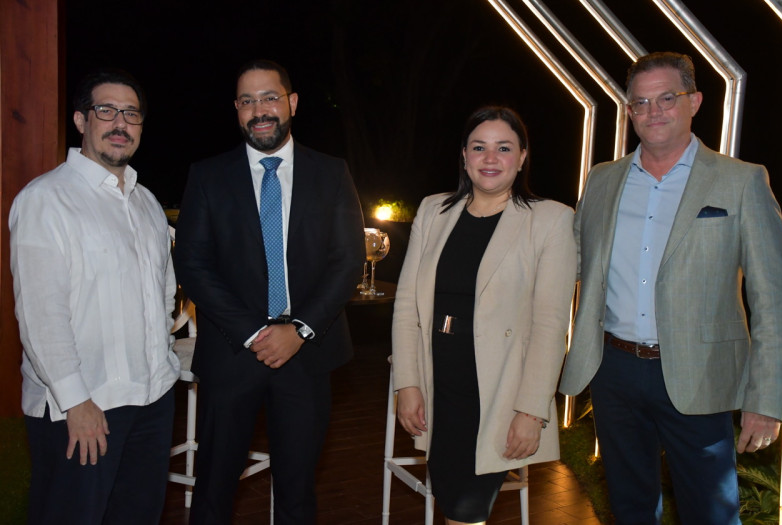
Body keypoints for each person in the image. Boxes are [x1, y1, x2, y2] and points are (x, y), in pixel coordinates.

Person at [559, 52, 782, 524]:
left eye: (667, 98)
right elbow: (574, 264)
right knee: (629, 508)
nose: (653, 112)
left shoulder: (742, 180)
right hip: (614, 370)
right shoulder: (603, 179)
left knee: (711, 512)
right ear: (629, 111)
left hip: (701, 376)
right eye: (640, 103)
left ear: (695, 101)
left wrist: (765, 401)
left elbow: (773, 301)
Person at [174, 59, 364, 524]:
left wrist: (298, 329)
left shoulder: (332, 173)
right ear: (237, 111)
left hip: (308, 354)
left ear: (292, 103)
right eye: (247, 101)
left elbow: (348, 261)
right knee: (214, 486)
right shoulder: (207, 175)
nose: (259, 110)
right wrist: (255, 332)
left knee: (298, 489)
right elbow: (193, 264)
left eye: (269, 97)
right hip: (233, 352)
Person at [9, 69, 180, 525]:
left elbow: (162, 293)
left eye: (131, 113)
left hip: (151, 399)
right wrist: (75, 402)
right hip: (86, 407)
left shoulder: (145, 202)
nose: (119, 123)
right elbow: (41, 314)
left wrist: (162, 364)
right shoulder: (47, 199)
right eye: (106, 111)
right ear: (81, 121)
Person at [392, 106, 577, 524]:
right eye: (479, 147)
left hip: (498, 393)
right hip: (438, 384)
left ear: (522, 157)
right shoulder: (432, 210)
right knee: (450, 500)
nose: (490, 158)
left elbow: (551, 325)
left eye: (503, 148)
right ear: (464, 155)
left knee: (468, 509)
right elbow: (407, 307)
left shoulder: (551, 220)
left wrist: (531, 411)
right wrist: (407, 383)